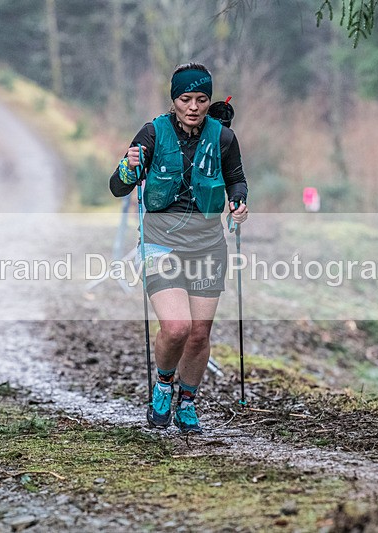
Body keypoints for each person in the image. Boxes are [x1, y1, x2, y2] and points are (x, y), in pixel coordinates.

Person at [109, 63, 249, 434]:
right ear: (174, 100)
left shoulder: (223, 139)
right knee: (176, 327)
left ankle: (187, 400)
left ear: (208, 101)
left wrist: (238, 202)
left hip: (208, 245)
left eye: (201, 99)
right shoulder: (152, 133)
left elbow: (236, 179)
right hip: (160, 243)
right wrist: (128, 167)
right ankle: (164, 384)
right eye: (186, 98)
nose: (193, 106)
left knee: (200, 333)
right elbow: (118, 187)